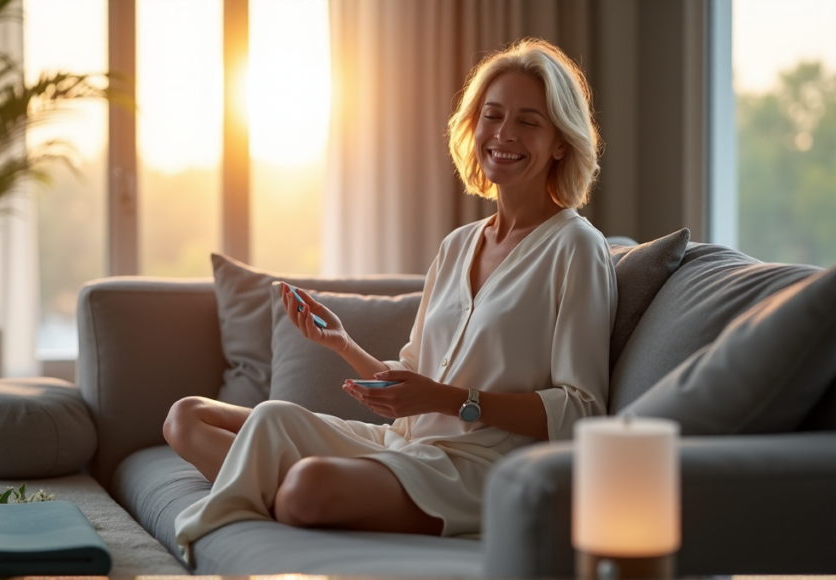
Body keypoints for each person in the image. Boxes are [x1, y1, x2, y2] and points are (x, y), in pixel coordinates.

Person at [164, 38, 617, 564]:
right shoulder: (459, 245)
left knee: (307, 487)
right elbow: (410, 381)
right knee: (187, 417)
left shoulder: (577, 248)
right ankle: (299, 491)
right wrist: (342, 344)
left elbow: (583, 410)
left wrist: (448, 400)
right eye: (492, 116)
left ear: (561, 142)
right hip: (401, 445)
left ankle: (296, 491)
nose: (504, 134)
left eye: (529, 121)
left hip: (479, 468)